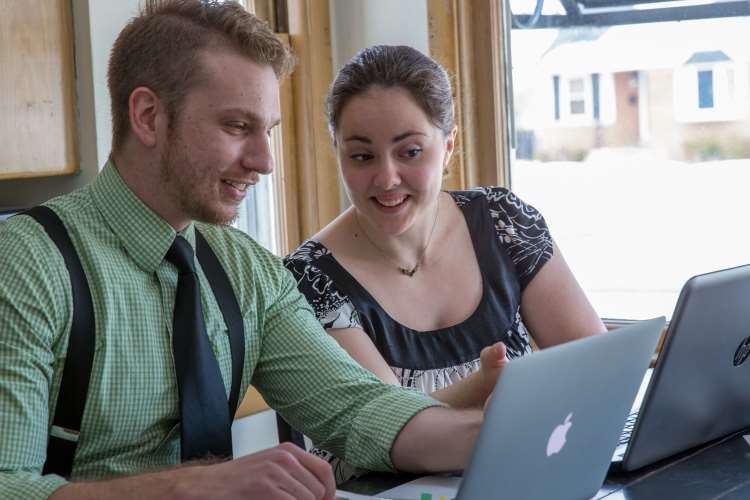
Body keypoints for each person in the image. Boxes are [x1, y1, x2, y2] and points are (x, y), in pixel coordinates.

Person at [0, 5, 490, 500]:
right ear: (149, 117)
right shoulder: (27, 264)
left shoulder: (248, 271)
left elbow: (358, 409)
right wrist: (189, 487)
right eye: (237, 127)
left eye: (269, 131)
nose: (264, 162)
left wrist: (498, 436)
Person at [284, 44, 607, 483]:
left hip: (521, 476)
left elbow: (598, 365)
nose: (387, 178)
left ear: (449, 145)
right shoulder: (309, 278)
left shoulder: (504, 221)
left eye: (410, 152)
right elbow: (379, 427)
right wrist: (483, 389)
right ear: (337, 152)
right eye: (361, 156)